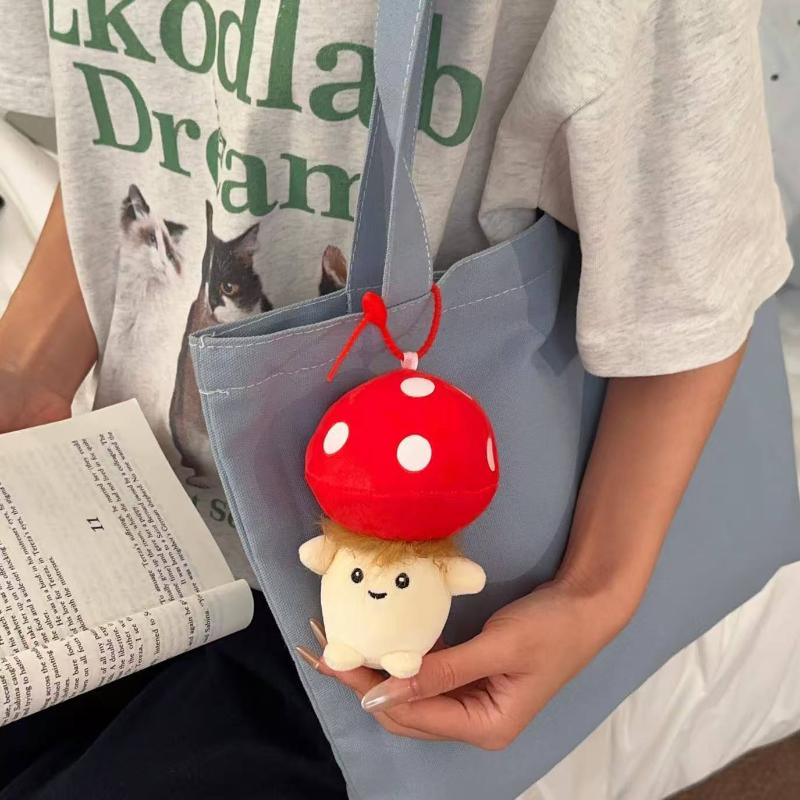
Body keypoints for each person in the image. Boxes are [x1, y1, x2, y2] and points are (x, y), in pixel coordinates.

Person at [0, 0, 792, 795]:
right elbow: (128, 123)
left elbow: (695, 277)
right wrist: (26, 372)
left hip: (349, 604)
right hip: (116, 503)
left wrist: (595, 594)